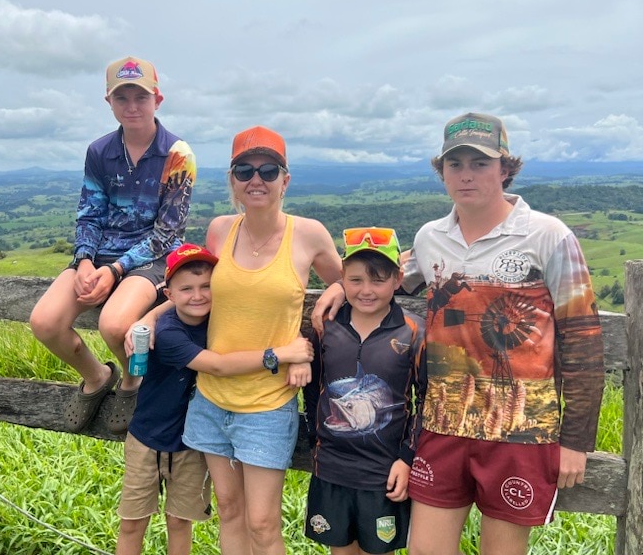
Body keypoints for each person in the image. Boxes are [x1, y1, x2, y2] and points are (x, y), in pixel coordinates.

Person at [312, 113, 605, 555]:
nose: (466, 174)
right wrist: (339, 285)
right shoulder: (433, 238)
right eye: (455, 164)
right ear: (442, 171)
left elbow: (582, 339)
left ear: (505, 168)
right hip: (443, 425)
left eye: (480, 163)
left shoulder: (549, 236)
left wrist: (577, 442)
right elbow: (388, 275)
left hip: (520, 431)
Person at [130, 126, 342, 555]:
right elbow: (196, 296)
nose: (256, 179)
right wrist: (153, 315)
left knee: (263, 524)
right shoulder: (220, 231)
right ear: (232, 180)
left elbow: (350, 289)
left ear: (286, 179)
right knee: (228, 509)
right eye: (244, 170)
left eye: (268, 169)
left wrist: (307, 346)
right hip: (210, 398)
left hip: (268, 401)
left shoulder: (309, 234)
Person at [29, 55, 197, 435]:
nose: (132, 106)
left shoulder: (178, 155)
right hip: (101, 255)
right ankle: (95, 376)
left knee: (116, 324)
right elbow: (90, 212)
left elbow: (167, 233)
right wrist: (85, 261)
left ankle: (133, 382)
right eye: (123, 98)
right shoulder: (99, 152)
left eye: (141, 97)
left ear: (158, 99)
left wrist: (115, 269)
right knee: (44, 322)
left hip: (153, 257)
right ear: (109, 102)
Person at [115, 243, 315, 555]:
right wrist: (283, 355)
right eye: (187, 289)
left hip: (192, 442)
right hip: (150, 435)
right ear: (169, 294)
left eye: (207, 286)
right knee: (132, 521)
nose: (198, 296)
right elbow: (218, 366)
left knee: (181, 521)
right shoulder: (168, 334)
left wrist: (300, 353)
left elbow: (272, 321)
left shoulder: (219, 317)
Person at [303, 227, 426, 555]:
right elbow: (314, 391)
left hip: (383, 473)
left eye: (378, 279)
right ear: (342, 277)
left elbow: (428, 399)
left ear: (398, 279)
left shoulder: (414, 332)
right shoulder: (326, 326)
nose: (366, 290)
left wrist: (406, 459)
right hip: (331, 467)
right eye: (355, 280)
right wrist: (313, 441)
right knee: (339, 551)